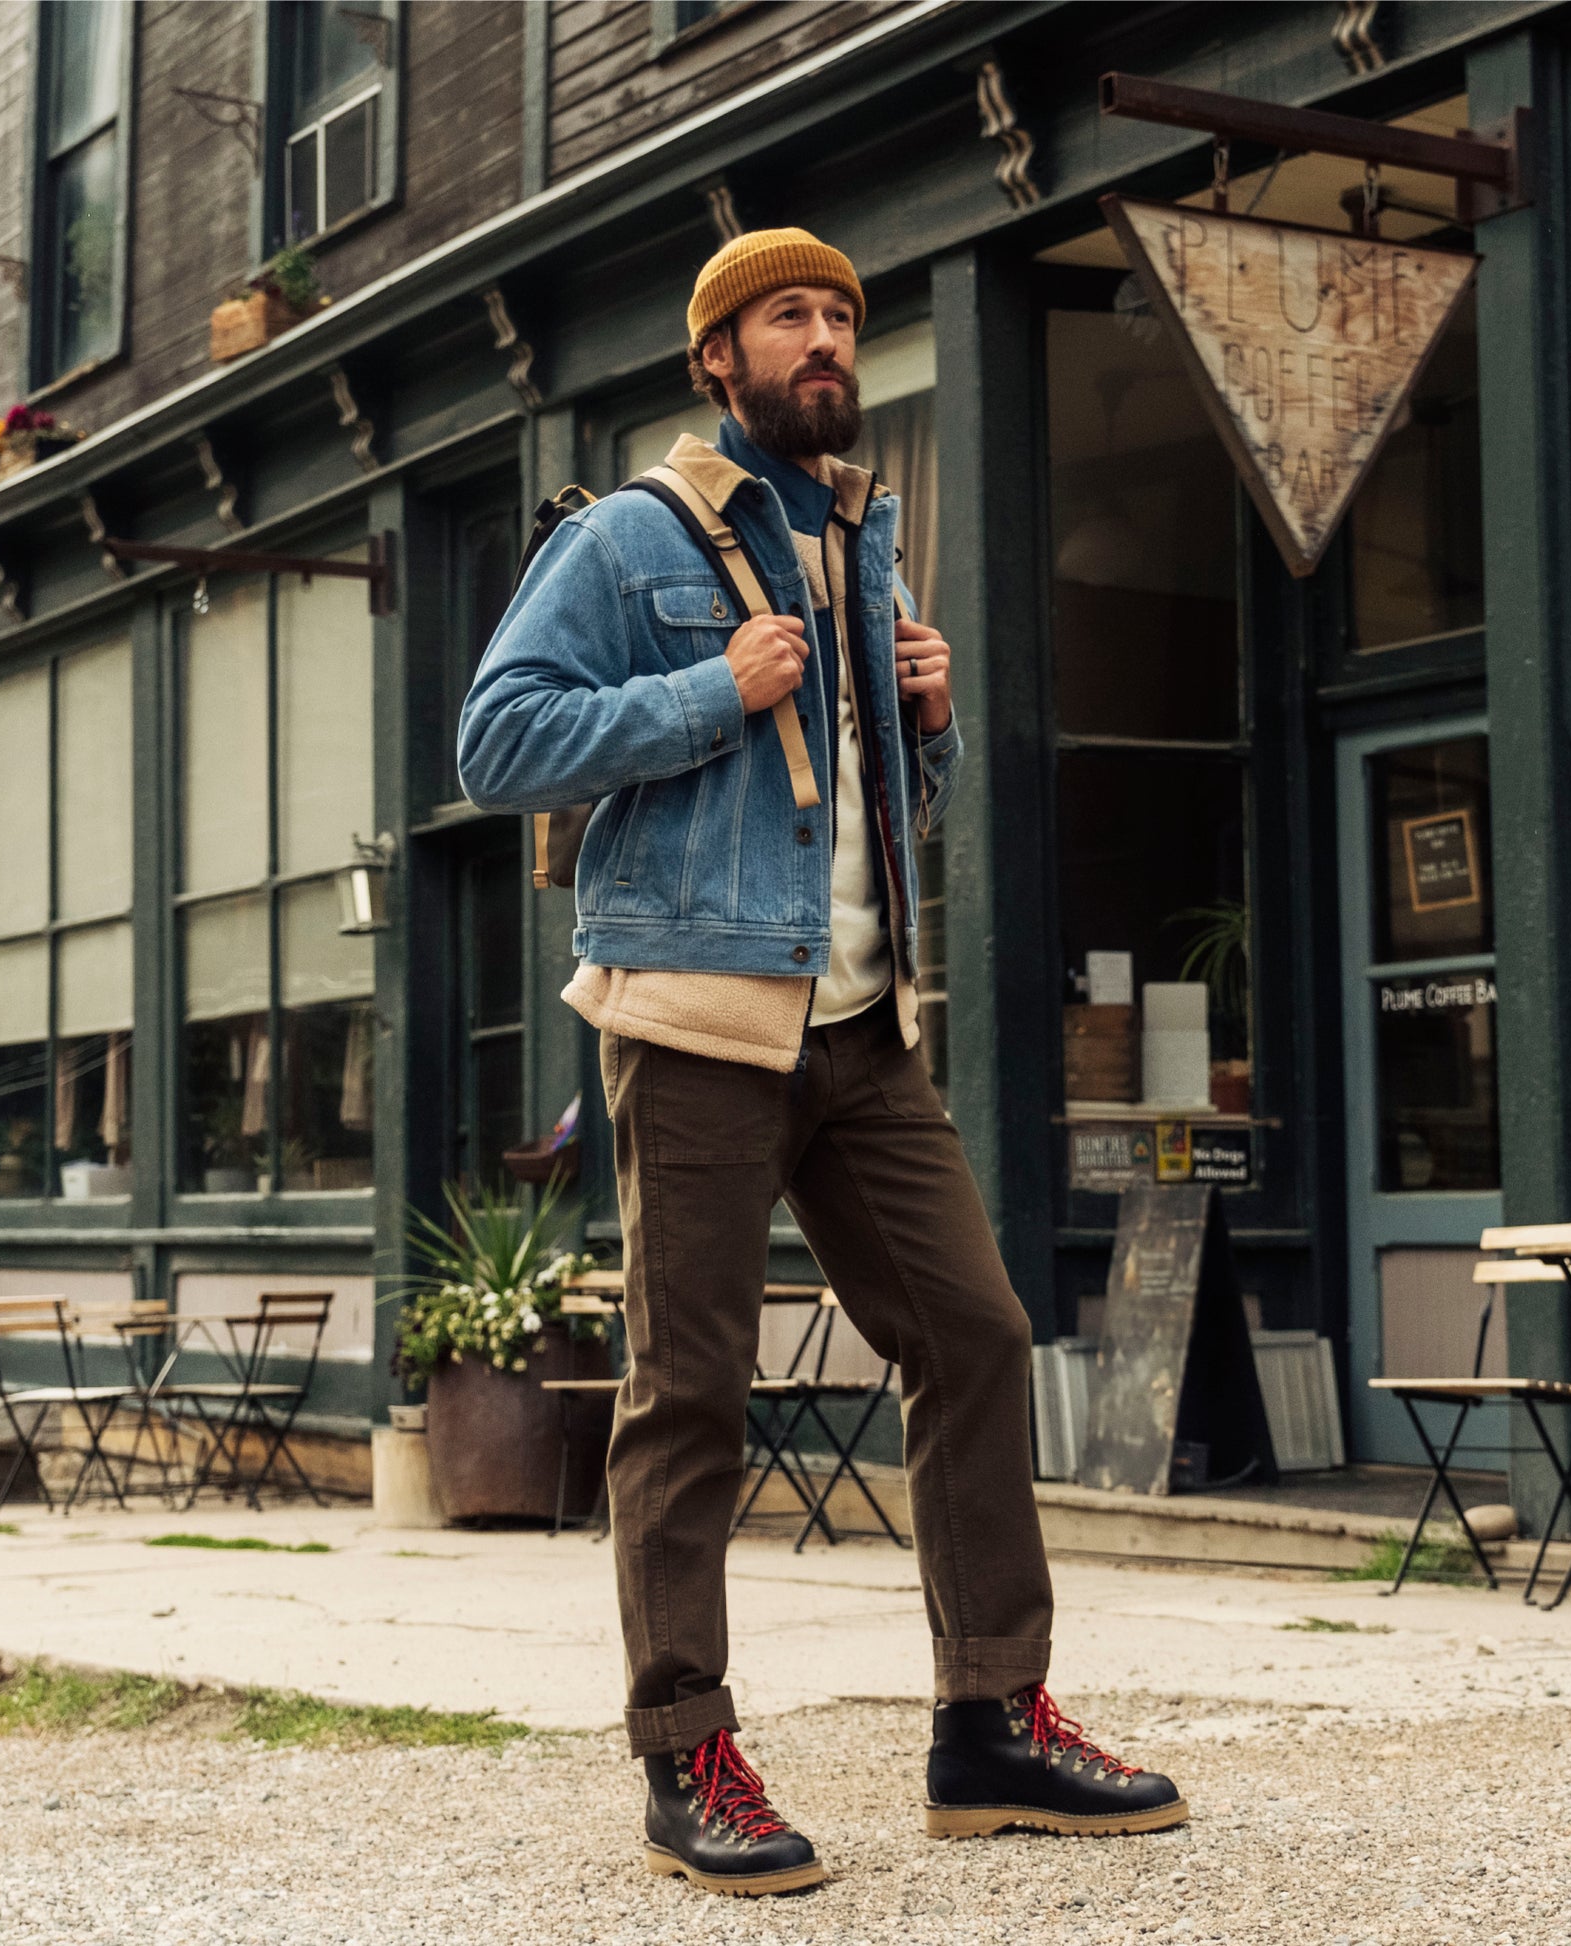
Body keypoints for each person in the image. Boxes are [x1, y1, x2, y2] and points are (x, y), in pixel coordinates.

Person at [458, 227, 1187, 1897]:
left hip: (859, 1027)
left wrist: (920, 732)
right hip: (698, 1022)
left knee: (978, 1333)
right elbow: (496, 738)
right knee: (691, 1385)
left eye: (843, 317)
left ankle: (989, 1722)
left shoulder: (866, 552)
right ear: (716, 358)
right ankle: (683, 1747)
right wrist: (705, 689)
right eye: (789, 315)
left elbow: (855, 823)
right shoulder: (631, 534)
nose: (825, 339)